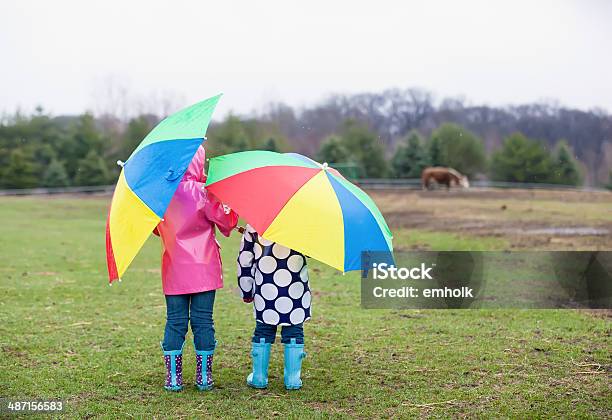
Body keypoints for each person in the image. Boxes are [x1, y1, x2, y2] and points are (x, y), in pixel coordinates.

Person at [154, 146, 238, 392]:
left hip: (173, 267)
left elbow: (156, 228)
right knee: (203, 321)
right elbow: (226, 222)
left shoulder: (162, 193)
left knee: (175, 322)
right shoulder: (205, 192)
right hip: (204, 266)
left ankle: (173, 378)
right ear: (199, 161)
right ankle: (203, 377)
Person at [237, 225, 310, 390]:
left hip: (266, 287)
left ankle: (259, 377)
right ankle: (292, 379)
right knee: (294, 330)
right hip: (295, 288)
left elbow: (245, 261)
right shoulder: (302, 222)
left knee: (263, 330)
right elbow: (312, 252)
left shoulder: (254, 224)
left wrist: (246, 289)